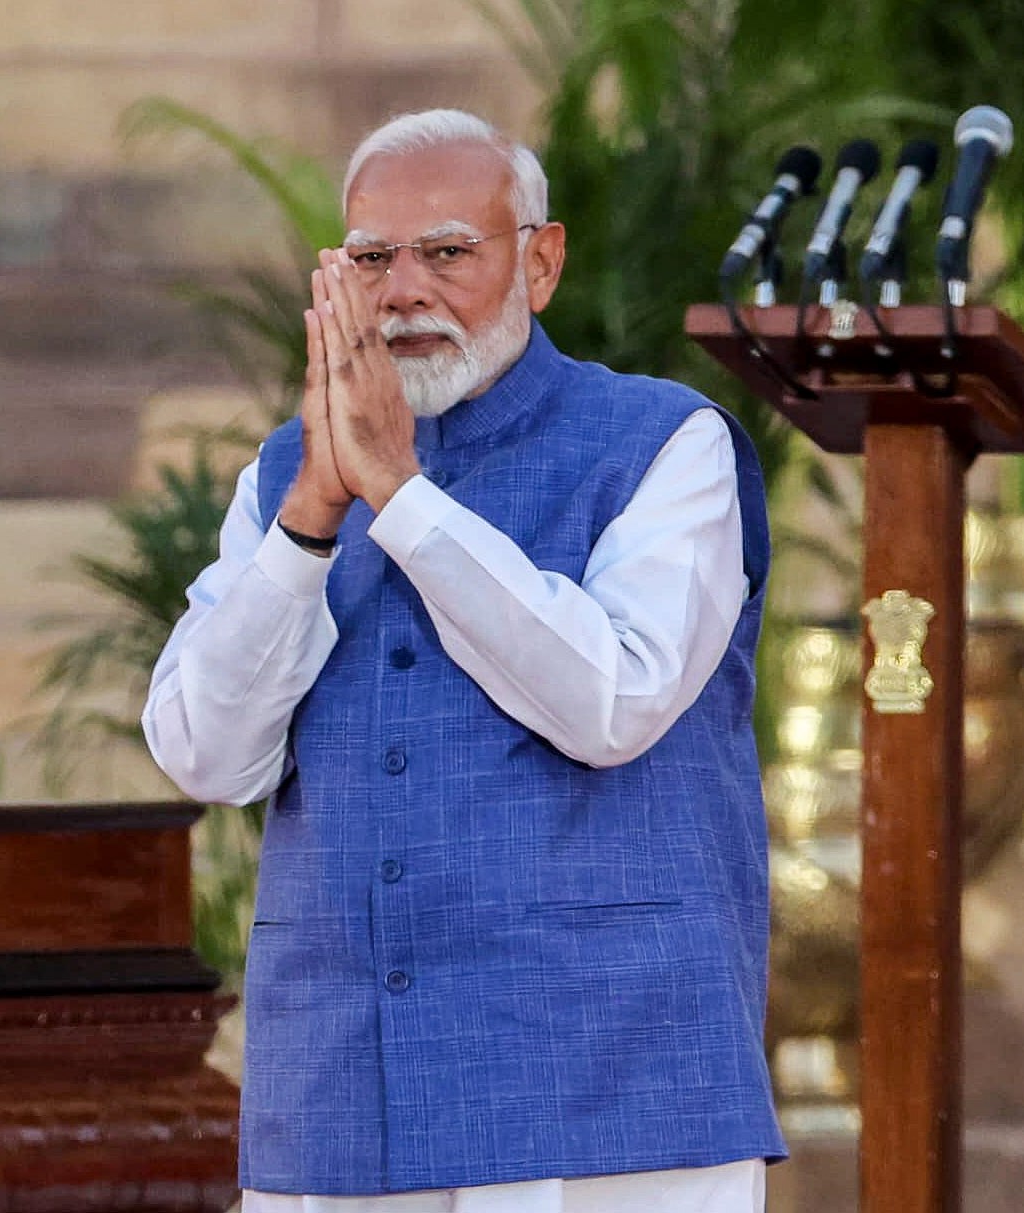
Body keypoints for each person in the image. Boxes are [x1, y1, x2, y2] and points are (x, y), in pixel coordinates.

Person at [143, 109, 783, 1210]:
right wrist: (310, 517)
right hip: (344, 1085)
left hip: (600, 1085)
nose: (402, 292)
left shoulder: (665, 445)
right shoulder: (289, 474)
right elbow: (204, 755)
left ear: (539, 261)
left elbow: (611, 700)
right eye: (371, 259)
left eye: (446, 252)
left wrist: (400, 496)